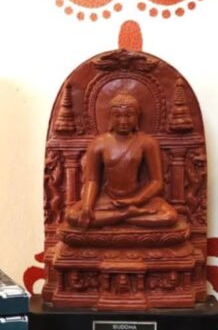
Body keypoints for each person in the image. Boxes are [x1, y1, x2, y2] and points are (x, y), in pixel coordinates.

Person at [65, 92, 178, 230]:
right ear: (110, 118)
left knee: (169, 216)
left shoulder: (147, 142)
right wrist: (87, 206)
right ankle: (127, 215)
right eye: (117, 116)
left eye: (129, 116)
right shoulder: (98, 143)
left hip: (138, 198)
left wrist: (135, 200)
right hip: (107, 198)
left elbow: (157, 182)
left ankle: (115, 218)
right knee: (71, 216)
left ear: (137, 117)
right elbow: (92, 181)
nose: (123, 121)